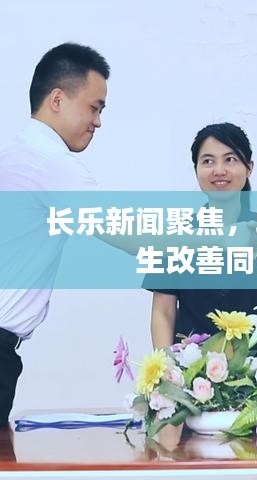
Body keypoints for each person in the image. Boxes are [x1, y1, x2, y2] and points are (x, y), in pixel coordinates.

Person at [0, 42, 110, 426]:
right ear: (58, 100)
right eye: (94, 107)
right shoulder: (46, 161)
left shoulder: (21, 153)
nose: (98, 122)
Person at [143, 123, 257, 349]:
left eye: (230, 159)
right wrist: (166, 366)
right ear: (196, 169)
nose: (219, 170)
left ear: (249, 168)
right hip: (192, 364)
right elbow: (163, 312)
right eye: (208, 161)